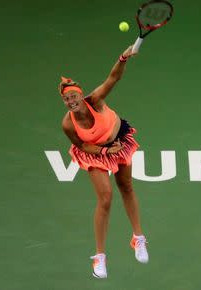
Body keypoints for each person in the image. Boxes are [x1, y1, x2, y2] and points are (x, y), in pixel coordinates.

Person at [59, 45, 148, 279]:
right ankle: (100, 257)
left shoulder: (95, 100)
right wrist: (104, 151)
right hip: (96, 152)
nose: (71, 101)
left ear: (81, 95)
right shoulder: (68, 124)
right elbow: (82, 146)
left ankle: (138, 238)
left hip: (119, 141)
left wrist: (123, 58)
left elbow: (113, 78)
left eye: (74, 96)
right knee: (106, 198)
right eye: (67, 99)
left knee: (126, 187)